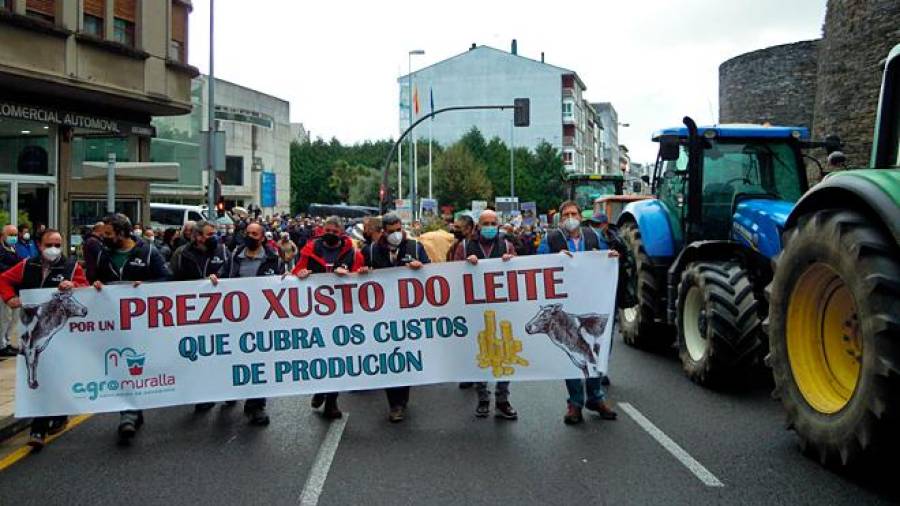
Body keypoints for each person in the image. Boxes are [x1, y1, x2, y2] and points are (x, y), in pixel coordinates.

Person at [0, 228, 88, 449]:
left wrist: (74, 286)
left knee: (55, 374)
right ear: (40, 245)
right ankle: (38, 428)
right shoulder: (27, 265)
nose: (54, 249)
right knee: (40, 373)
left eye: (58, 244)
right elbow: (4, 280)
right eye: (49, 244)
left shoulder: (71, 267)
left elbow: (85, 289)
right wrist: (10, 298)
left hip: (59, 332)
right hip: (31, 328)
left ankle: (57, 415)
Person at [537, 200, 619, 425]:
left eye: (574, 213)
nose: (570, 217)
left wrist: (609, 258)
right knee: (573, 353)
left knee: (596, 349)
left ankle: (596, 397)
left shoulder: (593, 237)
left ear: (580, 217)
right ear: (561, 219)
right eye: (566, 215)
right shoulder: (551, 240)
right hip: (566, 304)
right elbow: (538, 263)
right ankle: (574, 403)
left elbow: (605, 260)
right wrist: (554, 259)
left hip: (593, 301)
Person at [92, 213, 171, 442]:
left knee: (137, 364)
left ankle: (133, 410)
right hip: (114, 322)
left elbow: (166, 279)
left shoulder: (147, 252)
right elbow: (94, 279)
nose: (103, 237)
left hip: (142, 322)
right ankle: (129, 410)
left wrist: (146, 286)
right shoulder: (103, 255)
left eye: (108, 234)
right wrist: (95, 285)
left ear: (122, 233)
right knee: (122, 366)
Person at [290, 216, 364, 419]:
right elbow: (296, 271)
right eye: (327, 230)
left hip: (342, 313)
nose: (330, 234)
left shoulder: (352, 252)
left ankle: (331, 401)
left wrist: (350, 275)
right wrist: (301, 274)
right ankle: (321, 389)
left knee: (338, 357)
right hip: (316, 312)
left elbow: (361, 275)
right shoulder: (311, 248)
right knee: (320, 356)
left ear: (341, 233)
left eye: (334, 231)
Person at [362, 213, 430, 422]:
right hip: (381, 315)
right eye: (391, 232)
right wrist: (362, 272)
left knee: (406, 357)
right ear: (383, 231)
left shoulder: (415, 247)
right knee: (388, 358)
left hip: (408, 314)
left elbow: (431, 272)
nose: (395, 235)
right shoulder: (371, 250)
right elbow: (357, 274)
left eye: (398, 230)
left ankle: (403, 397)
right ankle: (395, 404)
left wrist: (422, 268)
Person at [215, 222, 284, 426]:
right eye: (248, 233)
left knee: (258, 363)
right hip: (234, 319)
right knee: (233, 357)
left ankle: (255, 405)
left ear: (263, 237)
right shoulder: (234, 257)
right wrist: (214, 278)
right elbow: (221, 276)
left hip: (261, 320)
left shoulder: (274, 259)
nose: (250, 236)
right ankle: (232, 389)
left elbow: (282, 284)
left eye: (255, 234)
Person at [452, 210, 518, 420]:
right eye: (485, 223)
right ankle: (482, 397)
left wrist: (512, 262)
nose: (490, 226)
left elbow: (520, 274)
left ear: (498, 225)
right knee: (480, 352)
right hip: (475, 310)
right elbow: (452, 275)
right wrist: (464, 265)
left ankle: (502, 399)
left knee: (504, 353)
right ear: (478, 226)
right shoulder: (463, 247)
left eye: (493, 223)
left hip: (502, 308)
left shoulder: (507, 246)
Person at [0, 225, 20, 357]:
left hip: (14, 287)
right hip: (3, 287)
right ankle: (1, 345)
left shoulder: (13, 248)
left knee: (14, 318)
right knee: (4, 317)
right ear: (3, 234)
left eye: (15, 234)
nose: (14, 237)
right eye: (11, 234)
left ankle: (6, 341)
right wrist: (14, 270)